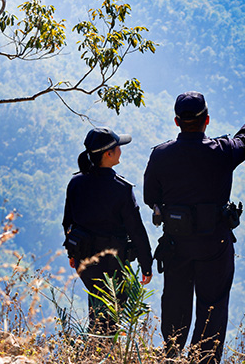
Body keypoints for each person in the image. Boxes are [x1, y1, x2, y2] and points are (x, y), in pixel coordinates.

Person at [144, 91, 245, 364]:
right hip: (215, 243)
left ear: (177, 122)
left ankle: (172, 354)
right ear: (207, 120)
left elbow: (150, 197)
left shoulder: (160, 155)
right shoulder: (222, 152)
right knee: (212, 305)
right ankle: (204, 360)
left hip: (175, 244)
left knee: (175, 301)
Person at [62, 127, 153, 337]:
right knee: (112, 316)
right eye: (117, 147)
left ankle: (93, 351)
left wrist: (72, 255)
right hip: (114, 263)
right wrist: (146, 265)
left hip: (84, 259)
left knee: (97, 308)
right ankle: (101, 353)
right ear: (108, 154)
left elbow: (68, 222)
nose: (121, 150)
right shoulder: (121, 189)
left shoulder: (76, 183)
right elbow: (136, 231)